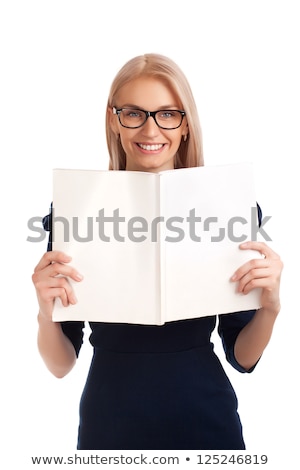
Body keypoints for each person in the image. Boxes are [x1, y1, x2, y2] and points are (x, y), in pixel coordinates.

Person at [32, 53, 283, 450]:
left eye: (167, 114)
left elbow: (243, 357)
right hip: (108, 426)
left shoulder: (225, 208)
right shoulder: (75, 211)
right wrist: (46, 313)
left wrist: (270, 306)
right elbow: (61, 365)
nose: (151, 129)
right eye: (134, 113)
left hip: (207, 423)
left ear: (185, 126)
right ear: (114, 120)